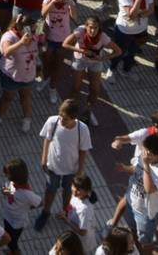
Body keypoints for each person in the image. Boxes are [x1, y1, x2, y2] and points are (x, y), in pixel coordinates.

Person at [32, 99, 91, 232]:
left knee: (68, 191)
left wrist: (80, 170)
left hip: (71, 170)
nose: (61, 120)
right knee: (50, 190)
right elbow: (47, 139)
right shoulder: (53, 122)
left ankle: (65, 212)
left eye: (65, 118)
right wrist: (43, 158)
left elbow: (83, 151)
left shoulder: (82, 130)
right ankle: (45, 213)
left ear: (74, 118)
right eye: (60, 116)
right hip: (52, 167)